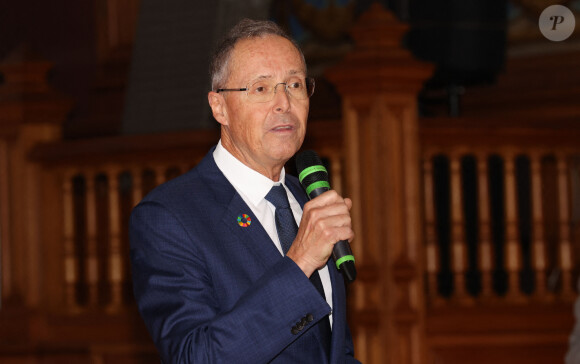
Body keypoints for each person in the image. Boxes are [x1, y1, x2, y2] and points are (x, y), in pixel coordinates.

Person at [129, 18, 360, 363]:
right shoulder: (169, 218)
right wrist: (301, 262)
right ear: (219, 106)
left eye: (295, 84)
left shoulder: (308, 200)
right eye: (261, 88)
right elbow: (196, 357)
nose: (284, 102)